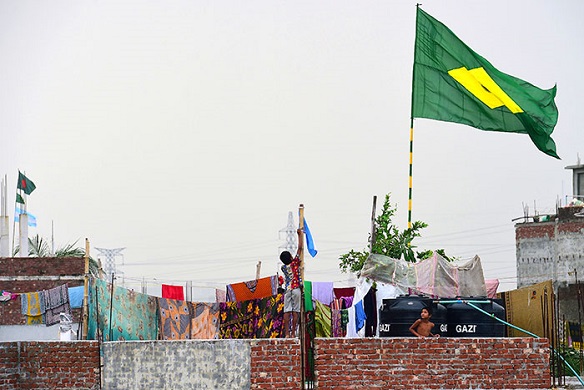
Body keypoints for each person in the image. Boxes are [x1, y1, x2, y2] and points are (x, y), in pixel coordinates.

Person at [280, 228, 303, 338]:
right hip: (296, 288)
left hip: (287, 289)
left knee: (287, 310)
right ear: (290, 257)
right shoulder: (294, 263)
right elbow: (300, 248)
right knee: (296, 310)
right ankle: (293, 332)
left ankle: (287, 333)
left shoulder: (283, 267)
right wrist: (300, 235)